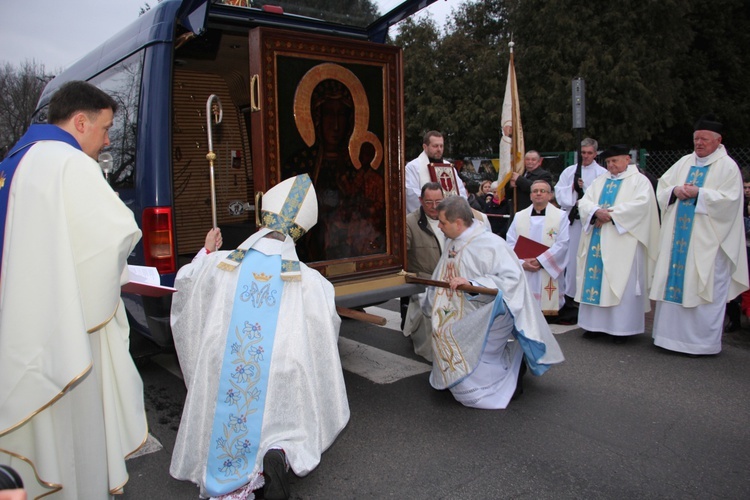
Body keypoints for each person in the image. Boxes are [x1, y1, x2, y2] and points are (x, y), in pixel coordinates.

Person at [0, 81, 147, 498]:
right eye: (103, 129)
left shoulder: (14, 161)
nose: (105, 141)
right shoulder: (68, 162)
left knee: (35, 434)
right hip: (61, 338)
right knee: (71, 443)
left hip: (18, 331)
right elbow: (117, 234)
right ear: (79, 121)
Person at [170, 174, 349, 499]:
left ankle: (240, 471)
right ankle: (278, 452)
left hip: (225, 364)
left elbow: (185, 285)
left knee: (230, 392)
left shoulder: (220, 265)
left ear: (261, 222)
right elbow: (327, 331)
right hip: (284, 369)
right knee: (287, 402)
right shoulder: (313, 282)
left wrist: (207, 251)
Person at [423, 196, 564, 409]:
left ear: (458, 223)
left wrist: (472, 283)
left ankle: (511, 377)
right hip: (459, 308)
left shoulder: (492, 244)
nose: (439, 226)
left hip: (490, 312)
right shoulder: (453, 240)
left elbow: (511, 280)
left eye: (442, 222)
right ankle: (454, 378)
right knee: (442, 331)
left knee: (457, 340)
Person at [651, 115, 749, 356]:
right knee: (675, 282)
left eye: (704, 139)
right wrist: (675, 190)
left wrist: (699, 193)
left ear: (718, 141)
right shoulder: (684, 162)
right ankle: (668, 338)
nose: (699, 143)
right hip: (678, 242)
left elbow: (731, 201)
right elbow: (662, 187)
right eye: (696, 139)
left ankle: (701, 344)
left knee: (704, 286)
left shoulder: (727, 167)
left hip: (708, 244)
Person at [575, 145, 660, 343]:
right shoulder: (600, 180)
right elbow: (584, 201)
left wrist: (611, 215)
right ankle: (593, 326)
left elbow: (642, 206)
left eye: (615, 161)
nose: (611, 165)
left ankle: (622, 329)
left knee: (621, 281)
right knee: (597, 280)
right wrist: (596, 211)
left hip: (624, 243)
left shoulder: (639, 181)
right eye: (608, 162)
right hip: (598, 237)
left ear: (627, 160)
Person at [555, 138, 607, 302]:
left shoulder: (601, 173)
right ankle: (567, 296)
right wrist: (572, 188)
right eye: (583, 153)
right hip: (572, 219)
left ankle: (582, 294)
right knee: (569, 258)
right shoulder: (569, 171)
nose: (586, 156)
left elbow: (601, 196)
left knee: (584, 258)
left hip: (589, 221)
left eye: (589, 153)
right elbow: (559, 192)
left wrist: (584, 190)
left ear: (595, 154)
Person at [506, 179, 570, 314]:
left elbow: (563, 243)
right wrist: (522, 262)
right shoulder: (519, 216)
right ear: (530, 196)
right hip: (525, 267)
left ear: (550, 195)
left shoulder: (561, 216)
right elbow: (510, 242)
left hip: (547, 267)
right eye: (535, 191)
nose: (538, 194)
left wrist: (541, 260)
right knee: (526, 308)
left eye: (542, 191)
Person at [403, 182, 446, 361]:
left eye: (438, 201)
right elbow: (402, 255)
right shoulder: (410, 222)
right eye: (429, 202)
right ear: (420, 200)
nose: (434, 207)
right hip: (425, 283)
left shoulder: (451, 218)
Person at [405, 130, 467, 213]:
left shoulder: (448, 166)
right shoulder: (413, 167)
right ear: (425, 147)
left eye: (441, 146)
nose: (439, 149)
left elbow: (461, 191)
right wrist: (436, 206)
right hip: (426, 216)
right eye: (435, 146)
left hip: (450, 216)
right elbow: (411, 194)